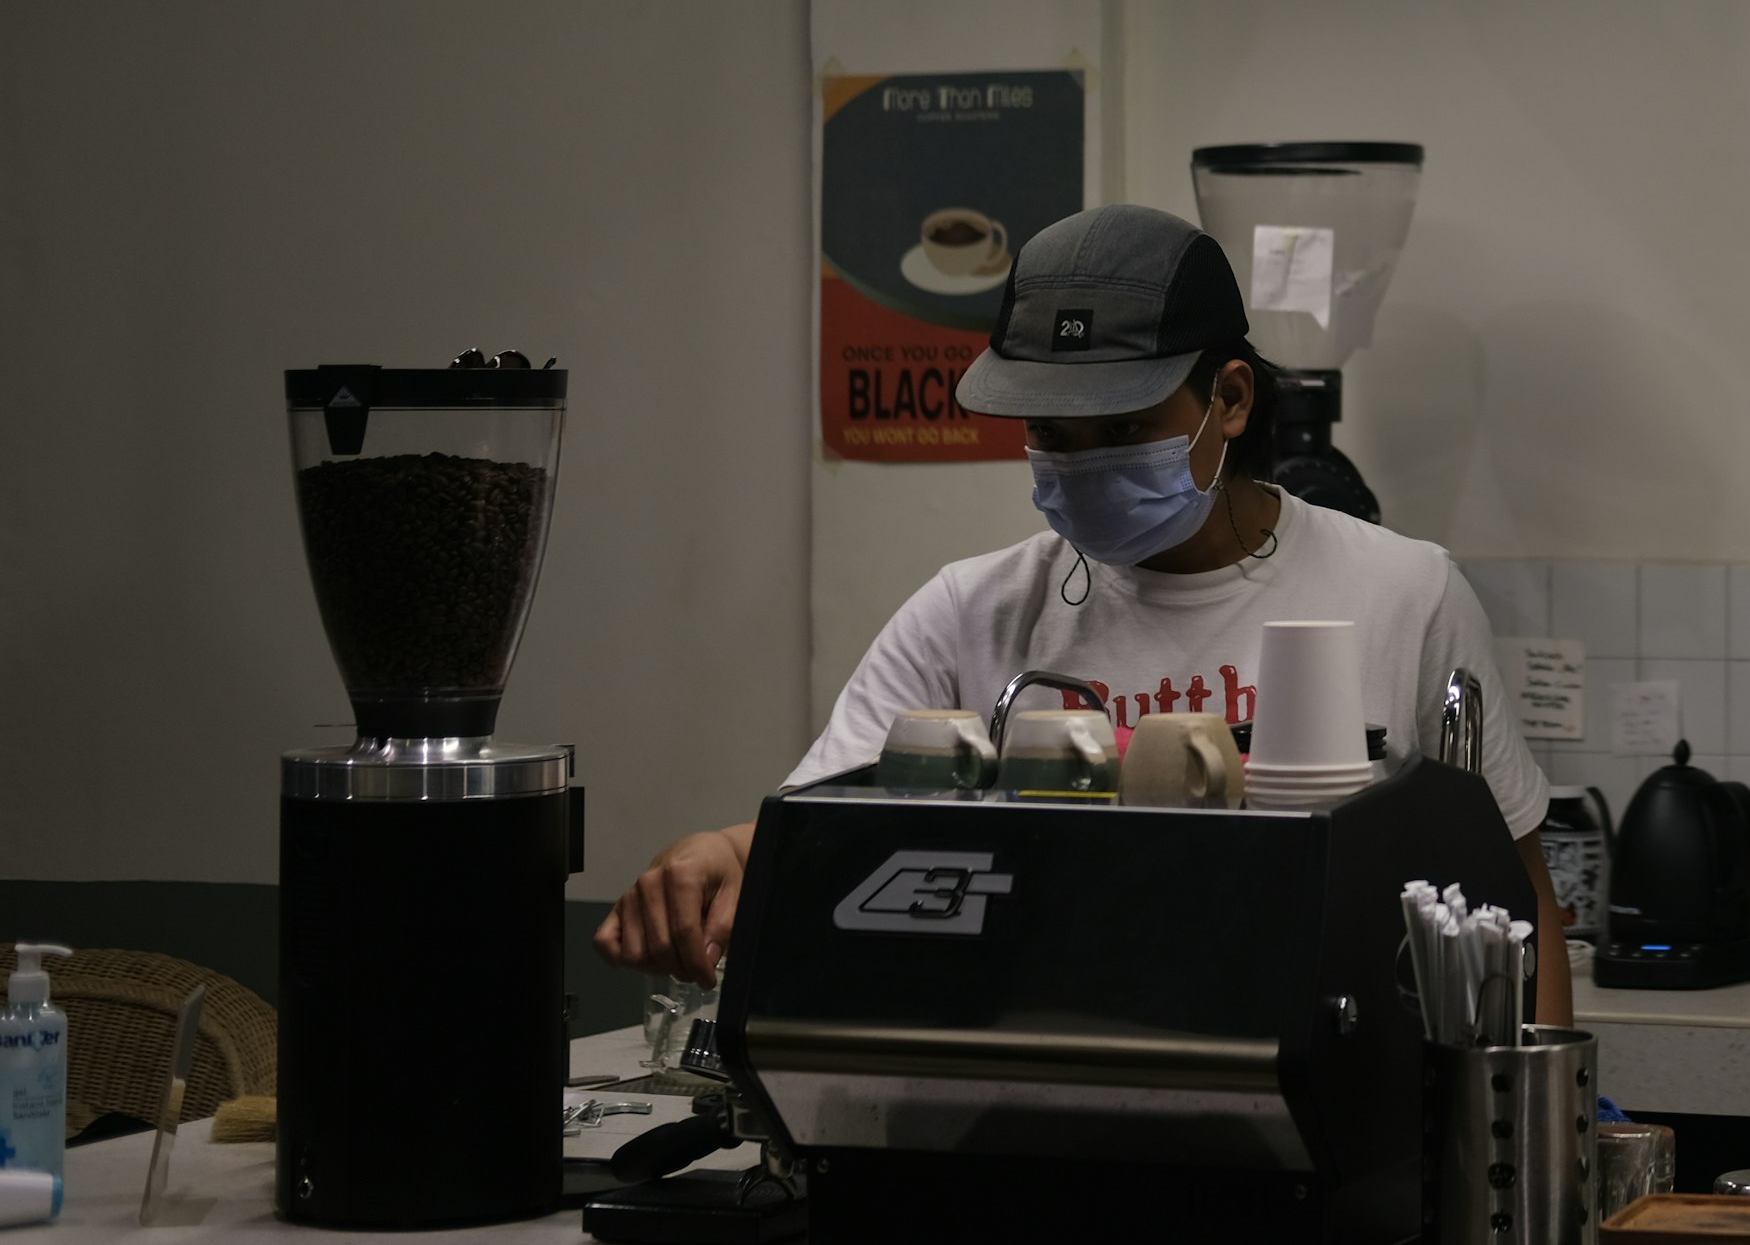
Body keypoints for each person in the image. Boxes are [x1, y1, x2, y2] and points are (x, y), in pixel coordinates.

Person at [595, 203, 1569, 1014]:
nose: (1085, 464)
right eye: (1054, 434)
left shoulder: (1402, 594)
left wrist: (1527, 1153)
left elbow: (1517, 902)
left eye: (1126, 428)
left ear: (1230, 398)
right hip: (1052, 1078)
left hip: (1334, 1090)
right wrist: (720, 854)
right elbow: (829, 822)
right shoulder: (969, 616)